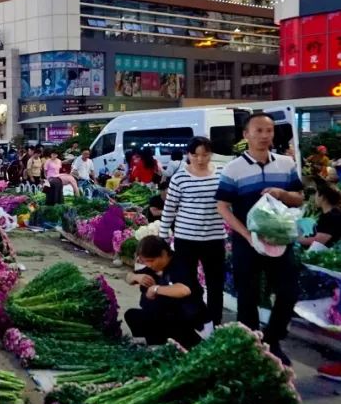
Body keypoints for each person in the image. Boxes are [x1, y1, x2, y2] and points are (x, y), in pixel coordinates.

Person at [216, 112, 304, 365]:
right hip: (247, 242)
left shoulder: (286, 165)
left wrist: (281, 194)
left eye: (269, 131)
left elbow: (299, 198)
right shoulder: (234, 169)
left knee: (288, 293)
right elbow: (222, 206)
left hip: (280, 240)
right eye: (259, 131)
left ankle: (272, 340)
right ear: (246, 135)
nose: (265, 136)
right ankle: (251, 347)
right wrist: (245, 235)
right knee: (248, 297)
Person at [161, 137, 226, 328]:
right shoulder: (179, 178)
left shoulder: (221, 174)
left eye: (205, 155)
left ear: (211, 154)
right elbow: (170, 208)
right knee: (188, 283)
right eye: (195, 155)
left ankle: (215, 323)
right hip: (186, 239)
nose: (200, 159)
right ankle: (195, 320)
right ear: (188, 155)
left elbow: (228, 202)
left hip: (214, 238)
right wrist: (163, 234)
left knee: (216, 284)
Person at [124, 235, 210, 349]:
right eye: (145, 262)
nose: (149, 265)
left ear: (163, 254)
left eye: (151, 261)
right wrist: (136, 277)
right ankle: (150, 344)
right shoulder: (152, 268)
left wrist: (155, 289)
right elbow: (128, 277)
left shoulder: (180, 264)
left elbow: (184, 290)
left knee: (166, 322)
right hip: (161, 317)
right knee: (132, 315)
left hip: (185, 321)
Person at [298, 178, 341, 248]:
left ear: (322, 197)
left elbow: (317, 240)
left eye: (316, 194)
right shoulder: (330, 214)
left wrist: (296, 239)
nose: (315, 197)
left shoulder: (332, 216)